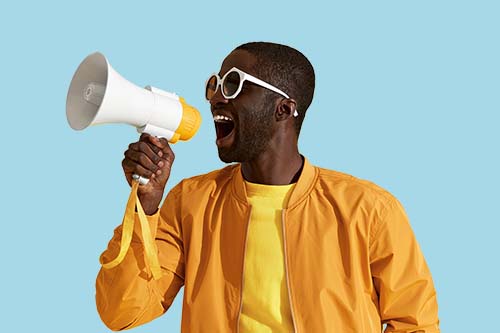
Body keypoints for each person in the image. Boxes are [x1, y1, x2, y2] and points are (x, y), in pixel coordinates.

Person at [96, 42, 440, 332]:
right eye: (215, 84)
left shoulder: (368, 209)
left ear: (284, 108)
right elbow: (122, 312)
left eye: (233, 84)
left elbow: (415, 323)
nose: (216, 96)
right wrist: (146, 206)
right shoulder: (190, 202)